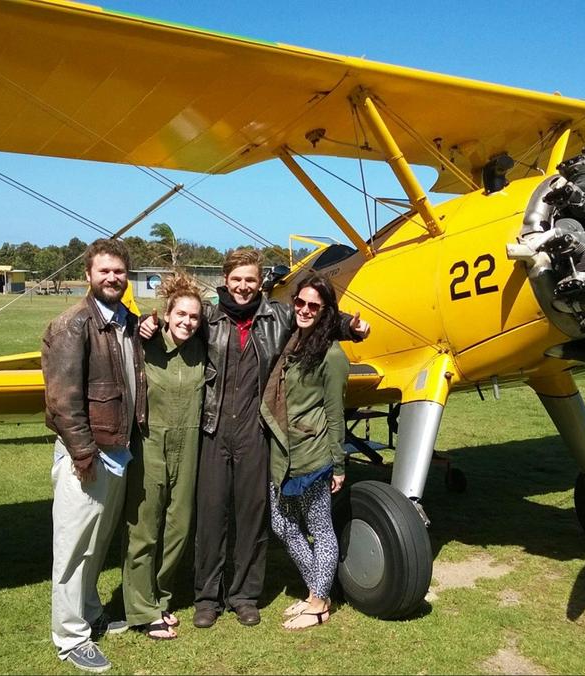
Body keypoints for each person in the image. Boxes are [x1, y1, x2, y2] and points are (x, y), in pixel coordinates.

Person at [142, 248, 369, 629]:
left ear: (259, 281)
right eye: (237, 279)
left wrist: (352, 328)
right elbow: (174, 322)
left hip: (256, 430)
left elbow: (315, 314)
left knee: (251, 516)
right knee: (211, 515)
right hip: (213, 428)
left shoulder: (277, 315)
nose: (244, 286)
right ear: (225, 279)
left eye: (250, 279)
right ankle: (207, 597)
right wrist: (145, 324)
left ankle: (245, 595)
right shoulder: (210, 317)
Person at [42, 238, 145, 673]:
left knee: (98, 543)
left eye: (119, 271)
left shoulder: (126, 320)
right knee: (72, 548)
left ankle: (89, 609)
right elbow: (63, 402)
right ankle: (70, 637)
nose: (112, 278)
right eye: (104, 271)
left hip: (118, 449)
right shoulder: (72, 325)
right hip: (88, 453)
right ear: (88, 275)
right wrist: (83, 455)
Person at [260, 274, 348, 630]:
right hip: (284, 451)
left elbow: (336, 413)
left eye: (314, 305)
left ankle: (318, 601)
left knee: (320, 528)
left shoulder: (331, 354)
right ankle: (317, 591)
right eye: (300, 302)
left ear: (326, 312)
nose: (305, 310)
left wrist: (339, 465)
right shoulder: (294, 341)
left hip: (312, 454)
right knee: (281, 523)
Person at [122, 273, 206, 641]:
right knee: (144, 529)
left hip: (188, 447)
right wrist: (144, 323)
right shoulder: (147, 345)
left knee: (179, 527)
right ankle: (141, 609)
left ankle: (161, 598)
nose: (187, 322)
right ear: (167, 314)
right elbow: (122, 334)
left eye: (194, 317)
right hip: (150, 444)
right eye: (181, 314)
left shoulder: (203, 348)